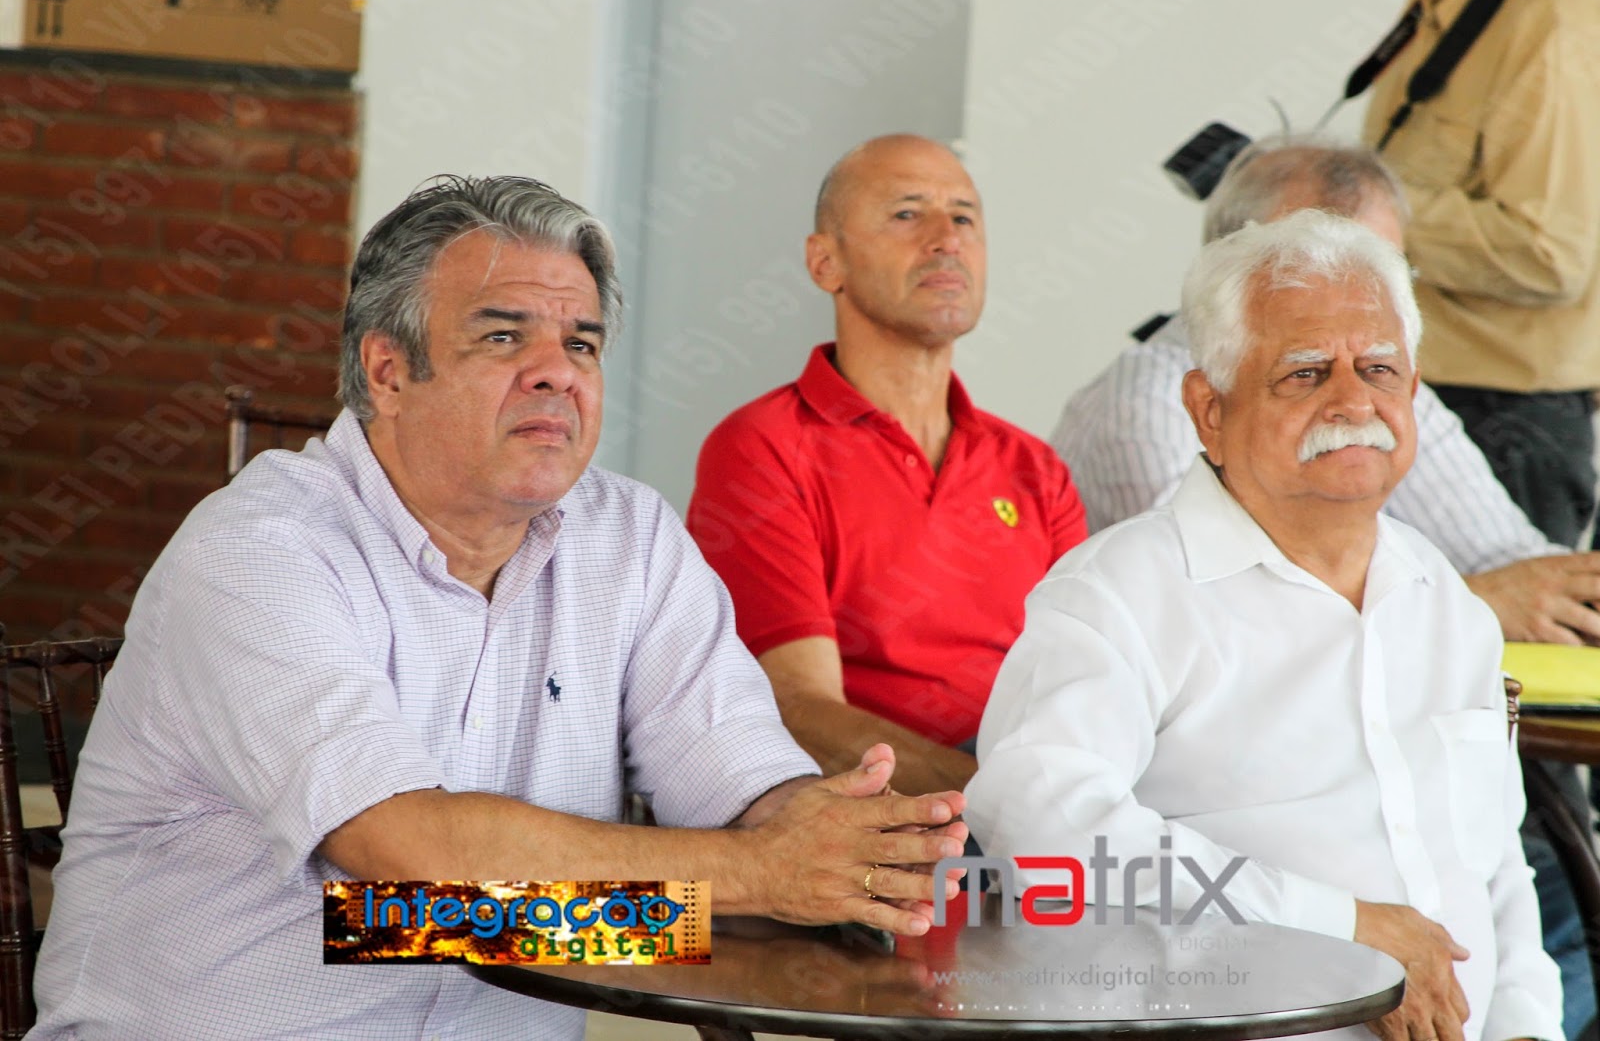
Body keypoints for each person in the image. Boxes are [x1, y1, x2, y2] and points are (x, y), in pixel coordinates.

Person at [29, 176, 969, 1040]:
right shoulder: (260, 550)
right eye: (503, 337)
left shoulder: (630, 538)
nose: (558, 371)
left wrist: (830, 836)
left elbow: (736, 783)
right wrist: (752, 877)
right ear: (388, 372)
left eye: (582, 344)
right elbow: (403, 859)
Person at [969, 209, 1562, 1041]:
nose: (1353, 400)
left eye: (1379, 368)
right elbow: (1038, 825)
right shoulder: (1121, 594)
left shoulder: (1447, 604)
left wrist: (1526, 1026)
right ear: (1208, 409)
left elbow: (1492, 864)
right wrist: (1338, 928)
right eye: (1305, 373)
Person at [1054, 137, 1600, 647]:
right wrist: (1475, 603)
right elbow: (1220, 615)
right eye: (1318, 260)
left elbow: (1506, 557)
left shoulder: (1376, 377)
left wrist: (1573, 595)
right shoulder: (1151, 400)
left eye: (1385, 265)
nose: (1360, 290)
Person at [685, 134, 1087, 798]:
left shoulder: (1034, 468)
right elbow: (798, 710)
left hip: (1032, 793)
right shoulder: (762, 446)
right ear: (826, 263)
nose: (946, 239)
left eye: (964, 217)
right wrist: (1000, 800)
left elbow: (1088, 684)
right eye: (907, 214)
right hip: (882, 821)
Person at [1362, 0, 1600, 549]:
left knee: (1500, 614)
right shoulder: (1438, 2)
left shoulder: (1550, 14)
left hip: (1502, 416)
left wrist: (1365, 212)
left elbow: (1550, 254)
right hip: (1423, 395)